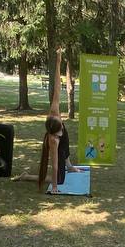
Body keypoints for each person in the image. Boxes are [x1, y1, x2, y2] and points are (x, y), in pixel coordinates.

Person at [39, 51, 81, 193]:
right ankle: (27, 177)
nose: (62, 132)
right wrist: (55, 187)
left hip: (56, 130)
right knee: (59, 178)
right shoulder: (53, 140)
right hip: (54, 146)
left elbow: (57, 87)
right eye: (60, 132)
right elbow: (55, 165)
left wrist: (58, 62)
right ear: (54, 134)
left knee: (67, 141)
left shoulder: (54, 112)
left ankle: (69, 166)